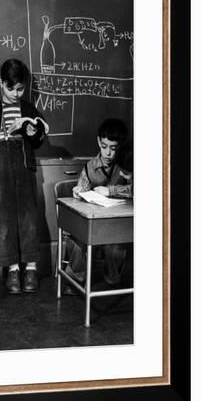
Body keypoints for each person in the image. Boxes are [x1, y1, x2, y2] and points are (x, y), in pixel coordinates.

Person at [0, 58, 47, 294]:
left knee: (28, 217)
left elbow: (36, 142)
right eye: (11, 88)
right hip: (1, 167)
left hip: (24, 165)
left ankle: (32, 269)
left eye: (20, 89)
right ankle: (13, 270)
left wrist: (33, 132)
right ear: (0, 83)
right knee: (4, 218)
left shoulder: (28, 109)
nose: (16, 94)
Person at [65, 118, 133, 290]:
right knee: (75, 237)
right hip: (95, 223)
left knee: (115, 246)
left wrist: (110, 191)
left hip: (119, 224)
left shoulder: (127, 163)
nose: (108, 154)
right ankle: (76, 276)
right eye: (104, 147)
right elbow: (83, 191)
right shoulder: (90, 167)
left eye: (113, 148)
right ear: (98, 141)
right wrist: (79, 192)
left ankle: (112, 281)